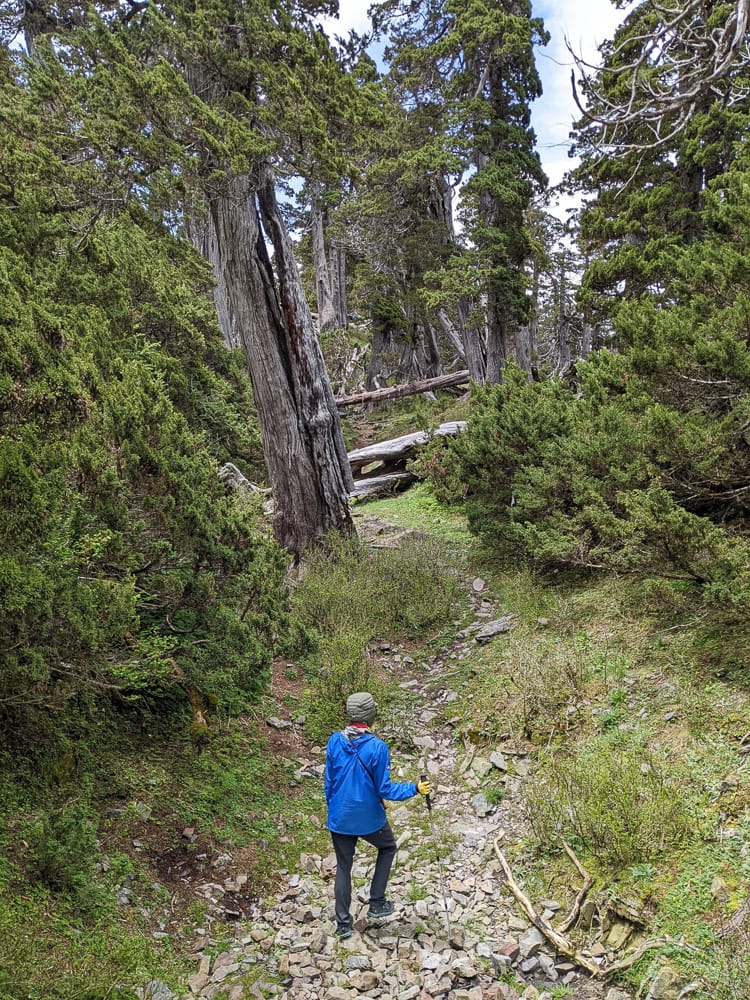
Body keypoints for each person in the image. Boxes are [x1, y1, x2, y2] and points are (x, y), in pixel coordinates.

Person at [324, 691, 431, 939]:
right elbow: (385, 789)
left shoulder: (333, 741)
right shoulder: (378, 747)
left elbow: (329, 782)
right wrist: (415, 788)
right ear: (370, 715)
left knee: (343, 866)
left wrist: (334, 807)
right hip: (369, 817)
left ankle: (343, 924)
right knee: (388, 847)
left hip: (339, 817)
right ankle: (376, 902)